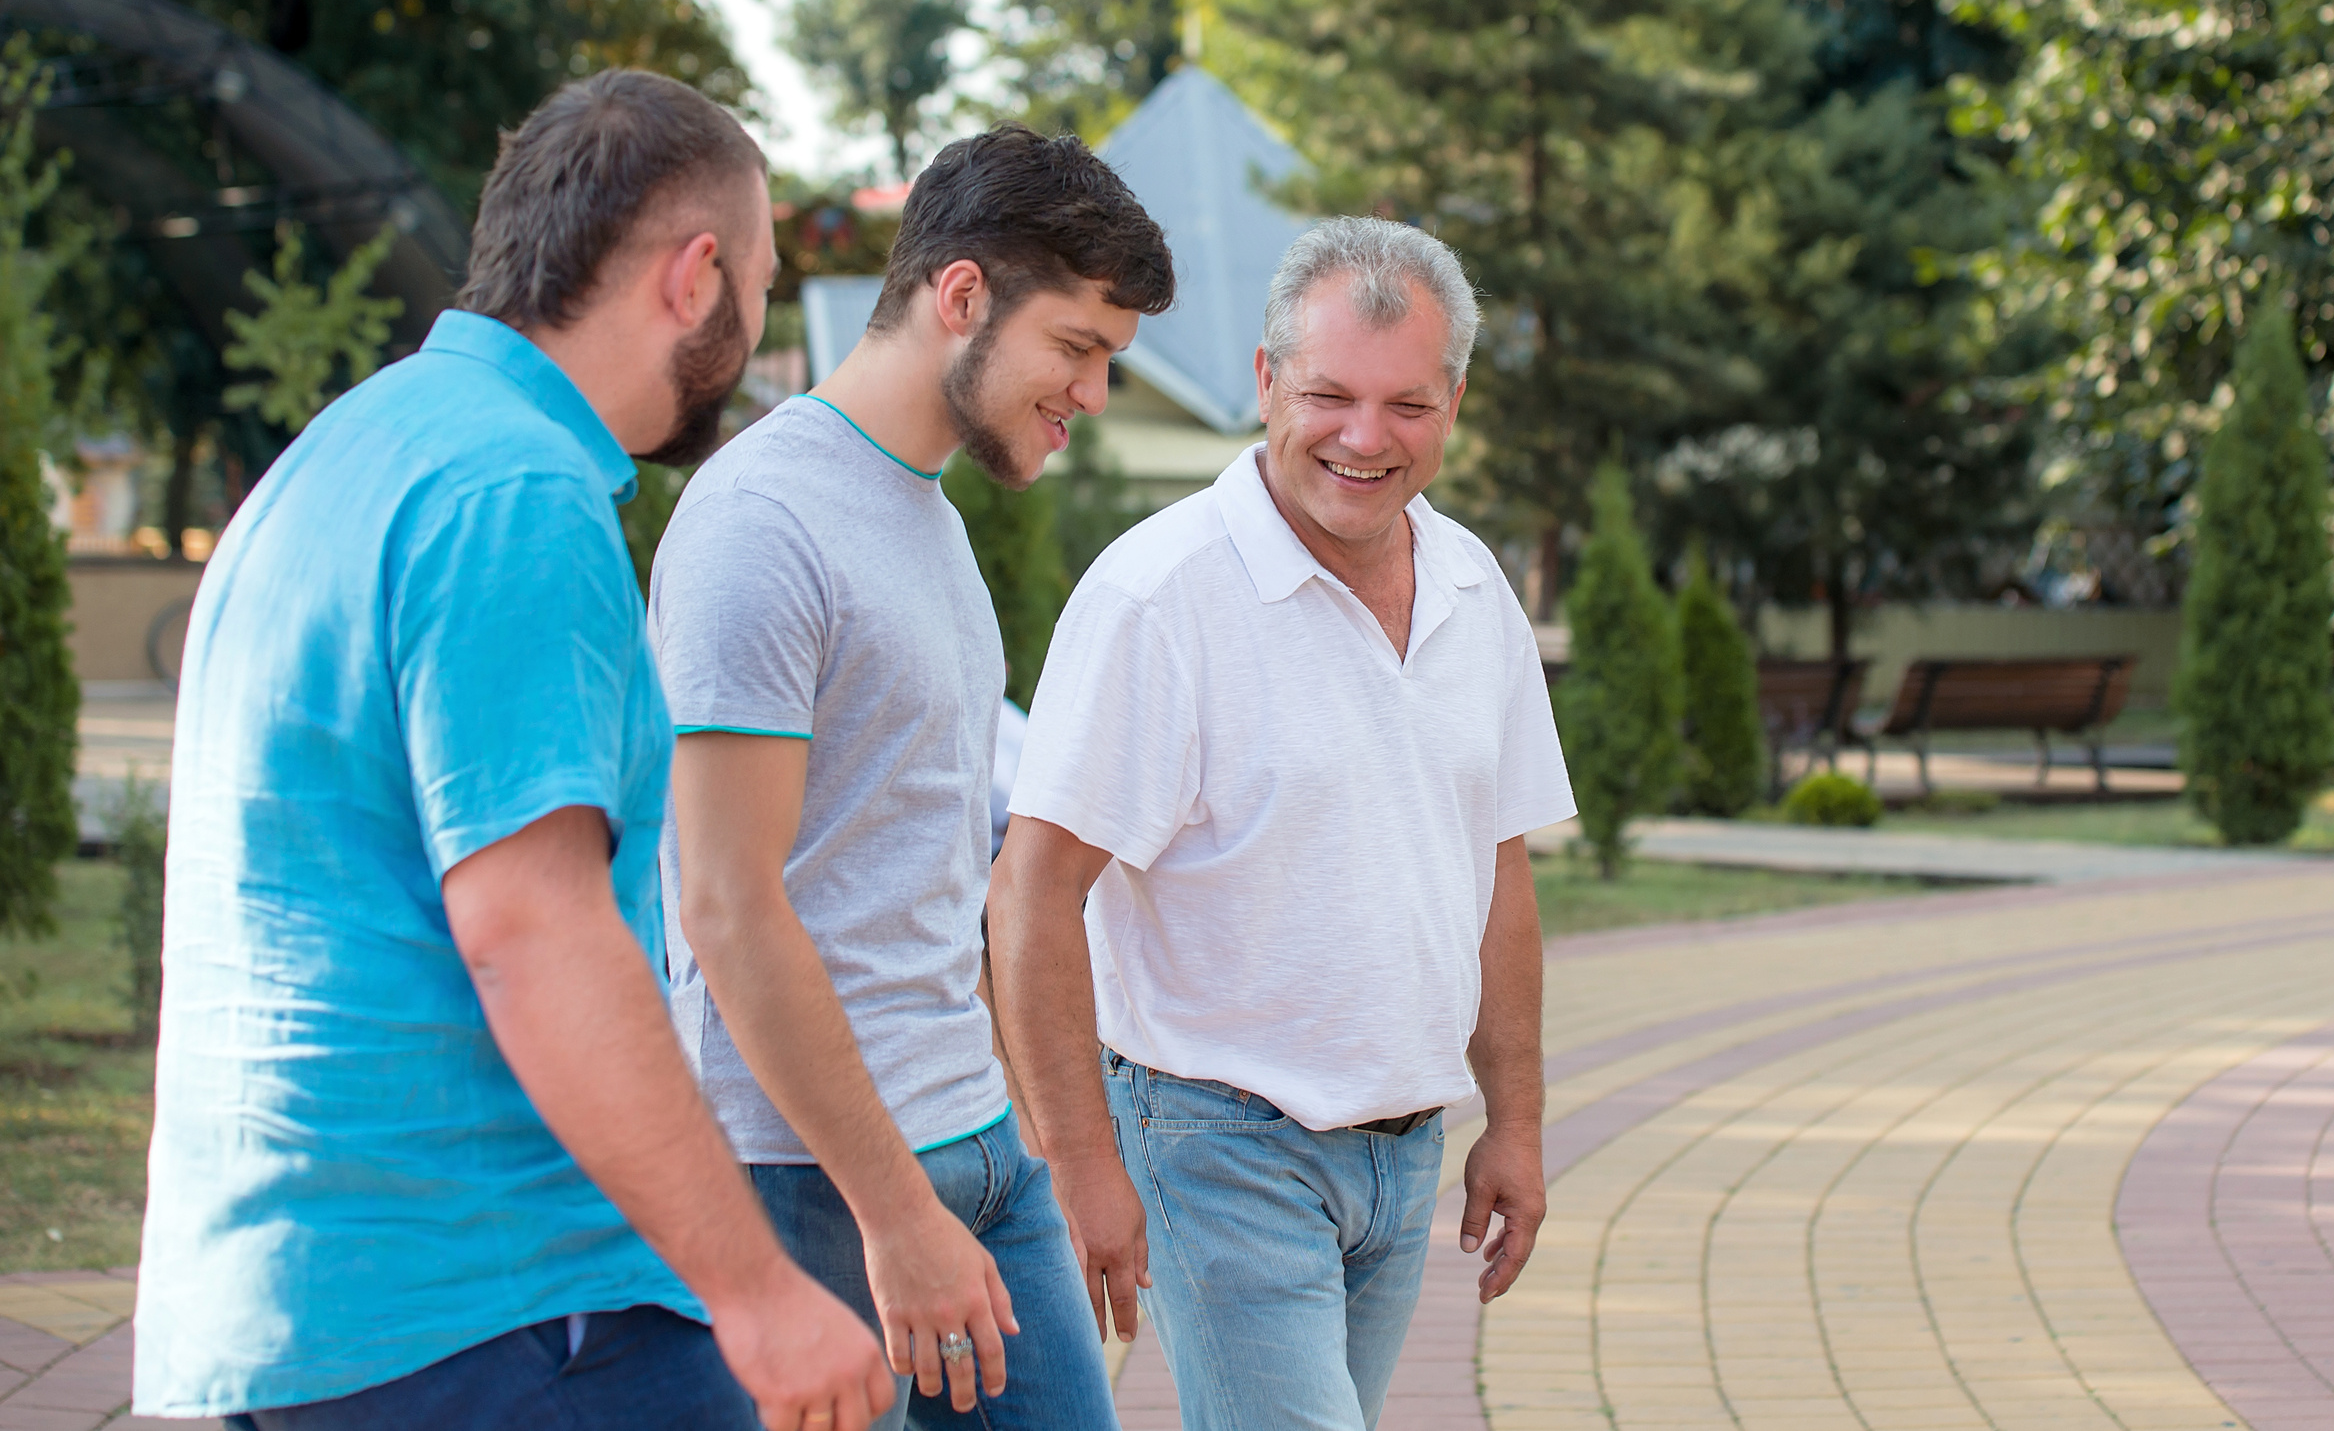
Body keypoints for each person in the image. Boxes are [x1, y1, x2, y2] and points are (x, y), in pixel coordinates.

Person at [132, 69, 894, 1431]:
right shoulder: (515, 496)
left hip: (292, 1308)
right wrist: (758, 1289)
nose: (759, 326)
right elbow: (531, 931)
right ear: (694, 275)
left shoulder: (341, 458)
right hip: (505, 1311)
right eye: (762, 286)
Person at [989, 216, 1576, 1431]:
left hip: (1404, 1149)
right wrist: (1081, 1160)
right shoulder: (1159, 596)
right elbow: (1032, 891)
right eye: (1329, 395)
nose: (1365, 438)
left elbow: (1498, 870)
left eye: (1407, 404)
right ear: (1264, 381)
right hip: (1215, 1139)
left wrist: (1512, 1122)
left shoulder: (1473, 587)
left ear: (1453, 401)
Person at [650, 125, 1175, 1429]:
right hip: (816, 1181)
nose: (1093, 394)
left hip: (983, 1150)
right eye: (1079, 348)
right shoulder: (760, 523)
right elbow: (725, 905)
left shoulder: (929, 520)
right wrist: (894, 1210)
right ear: (961, 298)